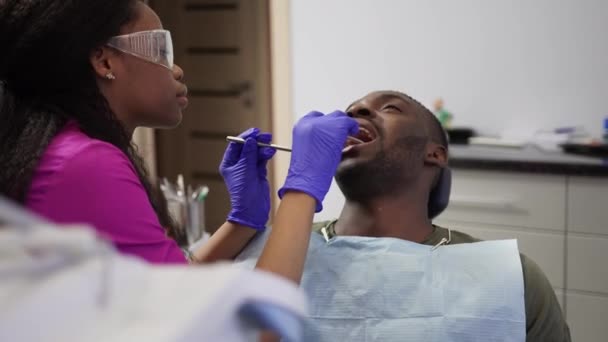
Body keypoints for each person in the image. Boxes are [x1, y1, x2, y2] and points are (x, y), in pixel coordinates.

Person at [0, 0, 358, 270]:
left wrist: (242, 222)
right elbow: (240, 331)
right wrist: (302, 189)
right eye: (159, 49)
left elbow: (164, 291)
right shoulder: (84, 164)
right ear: (105, 62)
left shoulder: (63, 150)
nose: (176, 68)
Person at [241, 90, 572, 342]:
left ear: (434, 153)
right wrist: (239, 226)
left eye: (390, 107)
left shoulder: (511, 278)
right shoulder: (272, 253)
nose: (356, 111)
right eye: (352, 109)